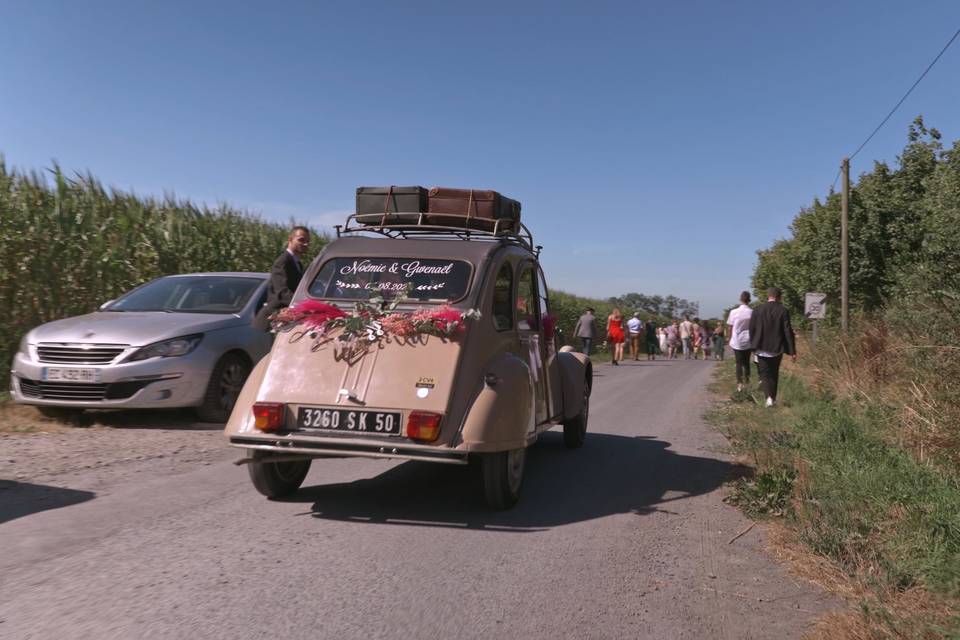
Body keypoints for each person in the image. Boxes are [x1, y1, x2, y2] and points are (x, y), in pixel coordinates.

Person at [254, 226, 311, 331]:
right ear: (290, 239)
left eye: (307, 241)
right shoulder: (282, 262)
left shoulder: (297, 263)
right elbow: (282, 292)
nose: (305, 244)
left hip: (286, 321)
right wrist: (305, 307)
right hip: (271, 323)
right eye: (301, 240)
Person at [749, 287, 797, 407]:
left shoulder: (758, 310)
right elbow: (787, 331)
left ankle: (768, 398)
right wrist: (792, 351)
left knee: (764, 374)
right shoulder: (783, 310)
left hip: (761, 347)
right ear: (779, 297)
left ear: (768, 296)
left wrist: (753, 345)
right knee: (774, 373)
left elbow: (752, 329)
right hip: (777, 348)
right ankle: (773, 398)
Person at [726, 291, 753, 392]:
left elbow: (730, 327)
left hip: (737, 340)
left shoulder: (734, 312)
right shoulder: (752, 312)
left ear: (740, 299)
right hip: (748, 340)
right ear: (749, 300)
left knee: (738, 362)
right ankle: (747, 382)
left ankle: (739, 384)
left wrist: (729, 338)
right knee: (746, 362)